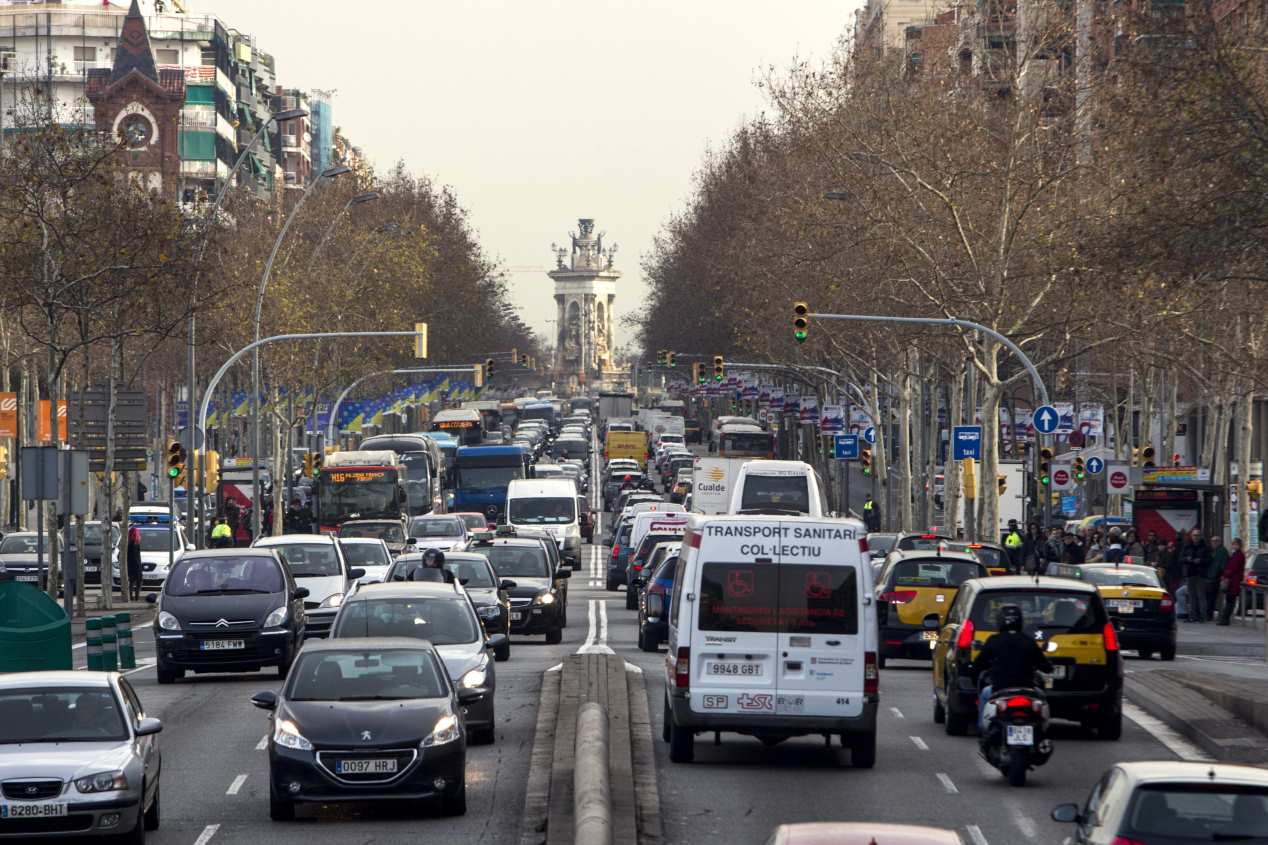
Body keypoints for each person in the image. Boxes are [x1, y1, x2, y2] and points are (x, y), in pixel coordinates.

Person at [971, 604, 1054, 731]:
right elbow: (1046, 667)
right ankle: (1041, 732)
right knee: (1042, 697)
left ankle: (983, 731)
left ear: (999, 621)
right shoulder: (1028, 641)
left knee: (984, 694)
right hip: (1027, 690)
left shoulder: (994, 640)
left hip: (999, 689)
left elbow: (978, 664)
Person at [1179, 529, 1211, 623]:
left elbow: (1209, 560)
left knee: (1201, 596)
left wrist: (1200, 561)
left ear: (1200, 536)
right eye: (1194, 535)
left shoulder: (1205, 547)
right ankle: (1192, 616)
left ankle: (1202, 616)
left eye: (1197, 535)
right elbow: (1180, 559)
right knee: (1191, 596)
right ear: (1191, 536)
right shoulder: (1187, 546)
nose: (1196, 537)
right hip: (1190, 573)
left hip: (1200, 574)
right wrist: (1187, 559)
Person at [1218, 538, 1246, 625]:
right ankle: (1225, 619)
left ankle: (1225, 619)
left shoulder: (1239, 555)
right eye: (1233, 544)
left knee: (1230, 601)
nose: (1234, 545)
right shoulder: (1235, 554)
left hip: (1234, 581)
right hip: (1232, 581)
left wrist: (1225, 575)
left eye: (1235, 544)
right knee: (1229, 600)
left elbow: (1233, 568)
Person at [1206, 536, 1228, 622]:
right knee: (1210, 597)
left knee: (1213, 597)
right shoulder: (1212, 551)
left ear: (1219, 542)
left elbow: (1223, 565)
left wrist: (1220, 574)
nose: (1214, 543)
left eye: (1216, 541)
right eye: (1212, 541)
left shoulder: (1222, 551)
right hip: (1210, 577)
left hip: (1217, 577)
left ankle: (1212, 615)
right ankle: (1209, 614)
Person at [125, 525, 142, 601]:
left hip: (129, 566)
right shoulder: (136, 544)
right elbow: (137, 558)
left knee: (131, 582)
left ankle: (131, 596)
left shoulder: (128, 544)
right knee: (138, 582)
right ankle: (137, 597)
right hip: (136, 566)